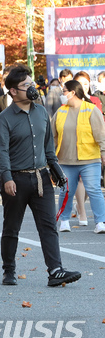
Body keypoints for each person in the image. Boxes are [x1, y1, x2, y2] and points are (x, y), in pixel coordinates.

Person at [0, 65, 81, 287]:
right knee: (11, 227)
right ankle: (9, 270)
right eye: (26, 85)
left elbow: (48, 148)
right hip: (16, 180)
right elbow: (1, 152)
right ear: (13, 91)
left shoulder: (42, 112)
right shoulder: (4, 119)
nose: (32, 88)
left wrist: (57, 171)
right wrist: (6, 177)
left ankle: (55, 271)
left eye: (32, 84)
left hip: (42, 179)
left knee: (48, 226)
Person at [52, 80, 105, 233]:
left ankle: (100, 222)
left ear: (72, 93)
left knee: (94, 189)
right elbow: (52, 135)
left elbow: (101, 134)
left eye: (64, 91)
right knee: (65, 191)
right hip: (66, 160)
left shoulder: (91, 109)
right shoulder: (61, 111)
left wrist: (103, 152)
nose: (62, 94)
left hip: (90, 159)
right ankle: (64, 220)